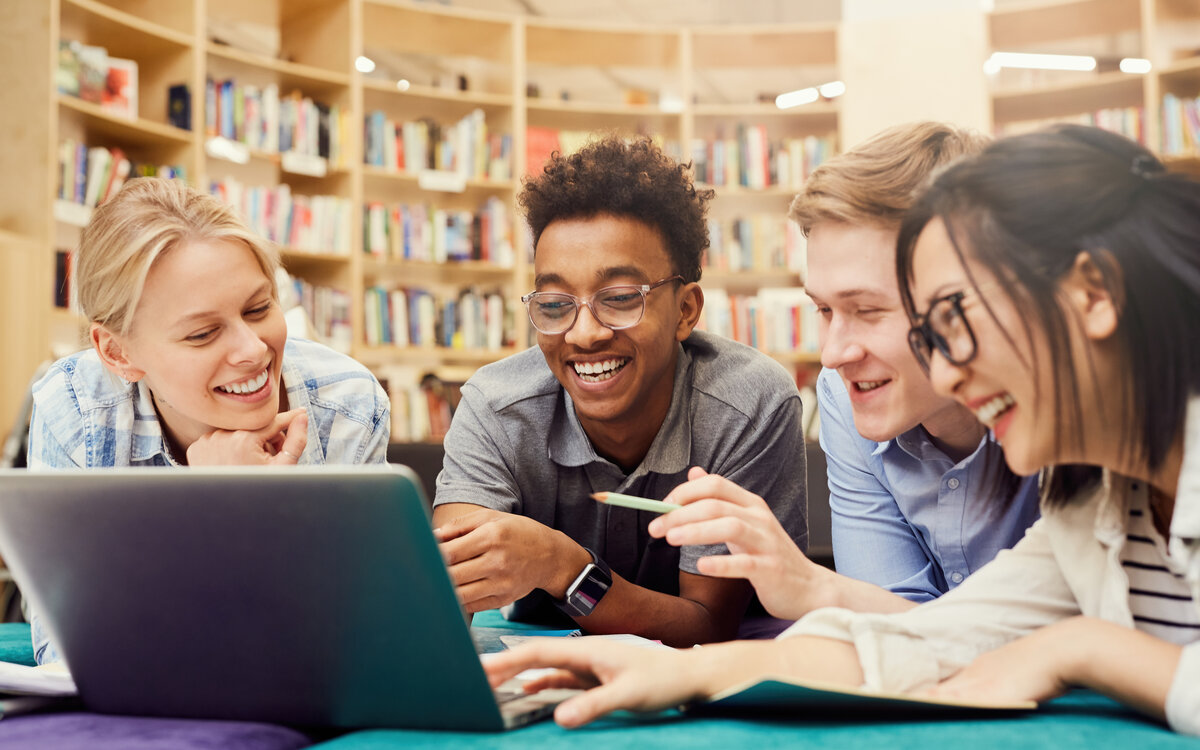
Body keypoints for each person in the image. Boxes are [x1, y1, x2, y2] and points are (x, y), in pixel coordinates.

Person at [483, 124, 1200, 736]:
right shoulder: (1091, 505)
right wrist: (678, 671)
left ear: (1093, 294)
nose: (947, 372)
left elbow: (1034, 646)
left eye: (955, 320)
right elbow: (926, 641)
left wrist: (1086, 650)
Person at [643, 122, 1039, 623]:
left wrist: (816, 589)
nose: (831, 355)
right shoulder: (843, 393)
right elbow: (896, 630)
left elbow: (1073, 640)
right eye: (825, 310)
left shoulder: (1065, 416)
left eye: (868, 310)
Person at [432, 136, 808, 647]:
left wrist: (560, 565)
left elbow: (706, 627)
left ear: (685, 311)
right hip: (547, 676)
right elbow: (443, 606)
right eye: (555, 302)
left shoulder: (749, 406)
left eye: (620, 298)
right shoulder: (496, 407)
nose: (584, 334)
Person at [27, 177, 391, 662]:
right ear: (116, 353)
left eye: (259, 308)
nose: (253, 349)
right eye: (202, 334)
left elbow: (362, 639)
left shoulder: (347, 404)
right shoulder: (74, 410)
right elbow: (68, 652)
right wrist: (213, 513)